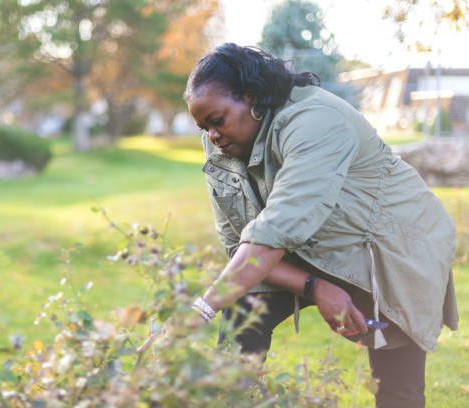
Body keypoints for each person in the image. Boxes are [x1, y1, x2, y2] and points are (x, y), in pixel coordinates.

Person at [184, 43, 458, 408]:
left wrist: (196, 313)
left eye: (217, 121)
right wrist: (313, 286)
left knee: (397, 389)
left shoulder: (315, 120)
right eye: (203, 127)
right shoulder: (223, 145)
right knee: (244, 309)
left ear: (252, 97)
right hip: (310, 247)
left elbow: (269, 237)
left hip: (395, 247)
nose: (212, 136)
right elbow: (241, 249)